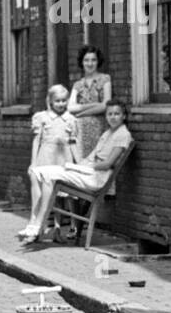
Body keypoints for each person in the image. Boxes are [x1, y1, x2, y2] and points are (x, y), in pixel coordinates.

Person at [20, 100, 132, 243]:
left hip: (97, 178)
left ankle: (37, 224)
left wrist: (84, 167)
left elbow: (107, 164)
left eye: (117, 114)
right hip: (88, 172)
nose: (113, 117)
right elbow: (91, 157)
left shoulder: (122, 135)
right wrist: (78, 165)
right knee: (38, 172)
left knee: (49, 176)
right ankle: (36, 224)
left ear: (123, 116)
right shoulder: (108, 132)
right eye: (110, 114)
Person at [28, 85, 78, 239]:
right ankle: (44, 228)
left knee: (64, 194)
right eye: (57, 101)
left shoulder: (70, 119)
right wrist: (33, 162)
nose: (61, 104)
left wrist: (77, 163)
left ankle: (65, 227)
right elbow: (37, 141)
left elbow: (74, 142)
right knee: (47, 194)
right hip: (46, 157)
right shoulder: (42, 118)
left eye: (64, 101)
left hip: (64, 158)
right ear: (50, 101)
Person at [67, 45, 111, 160]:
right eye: (86, 60)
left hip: (100, 127)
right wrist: (94, 105)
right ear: (82, 62)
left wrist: (82, 113)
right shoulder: (78, 84)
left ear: (98, 62)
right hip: (81, 131)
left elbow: (106, 105)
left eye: (93, 60)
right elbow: (70, 108)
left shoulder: (105, 79)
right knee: (83, 162)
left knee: (100, 160)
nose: (90, 64)